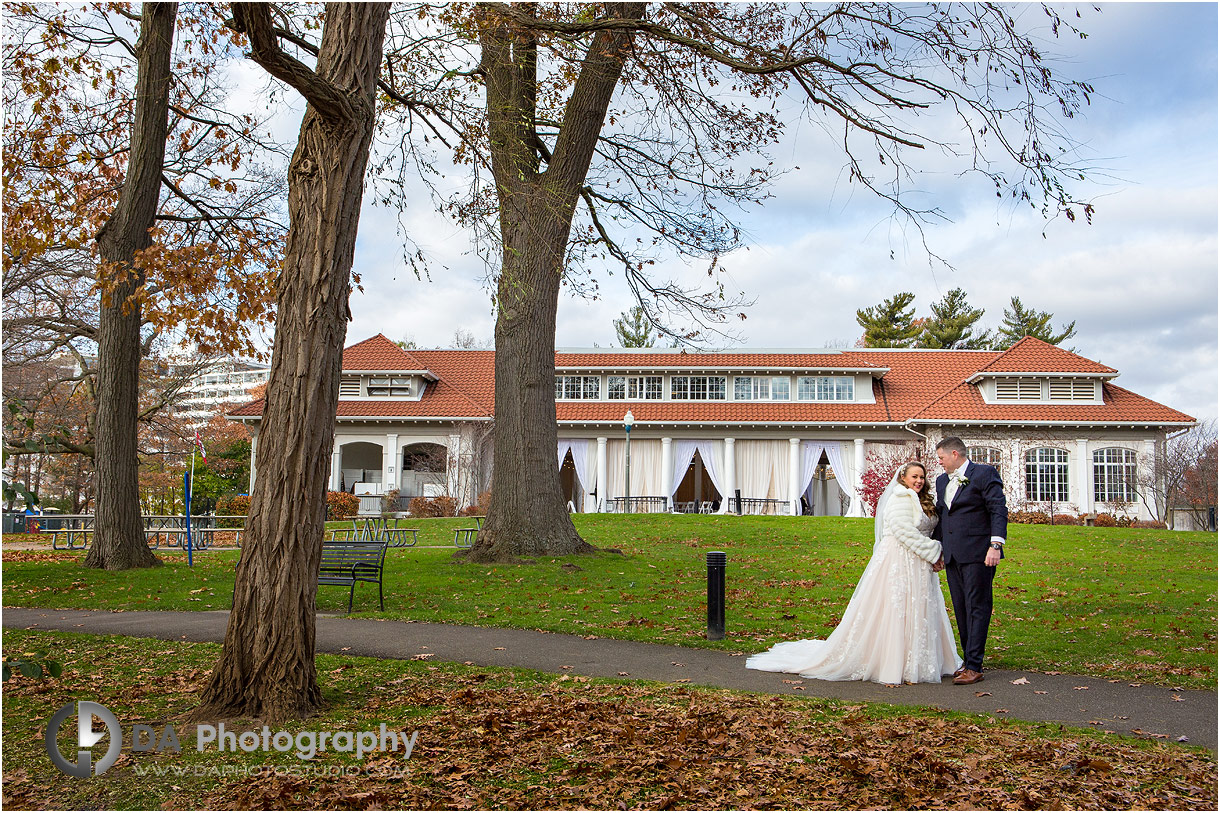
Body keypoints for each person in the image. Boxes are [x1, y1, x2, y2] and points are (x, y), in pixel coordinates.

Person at [746, 461, 961, 685]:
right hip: (900, 559)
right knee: (896, 609)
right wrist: (934, 552)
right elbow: (903, 531)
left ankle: (920, 658)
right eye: (914, 477)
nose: (918, 481)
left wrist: (936, 552)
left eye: (921, 477)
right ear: (903, 478)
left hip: (919, 563)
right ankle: (892, 661)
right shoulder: (899, 498)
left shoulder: (923, 500)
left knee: (919, 608)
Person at [932, 436, 1008, 686]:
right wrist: (938, 551)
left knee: (978, 607)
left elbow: (998, 509)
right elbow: (944, 516)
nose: (940, 463)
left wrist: (995, 545)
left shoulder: (984, 473)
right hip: (954, 555)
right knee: (962, 608)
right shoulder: (942, 480)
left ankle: (975, 665)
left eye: (941, 458)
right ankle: (968, 661)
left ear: (955, 454)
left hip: (980, 553)